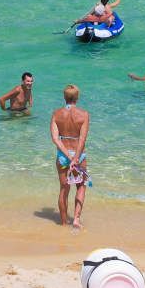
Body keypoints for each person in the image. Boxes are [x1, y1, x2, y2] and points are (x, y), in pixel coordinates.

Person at [51, 85, 90, 229]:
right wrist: (75, 159)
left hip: (63, 155)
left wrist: (67, 156)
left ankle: (62, 223)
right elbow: (82, 139)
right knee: (81, 186)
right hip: (78, 155)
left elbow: (55, 139)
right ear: (77, 97)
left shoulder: (56, 114)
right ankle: (76, 219)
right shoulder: (84, 114)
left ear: (64, 97)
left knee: (64, 189)